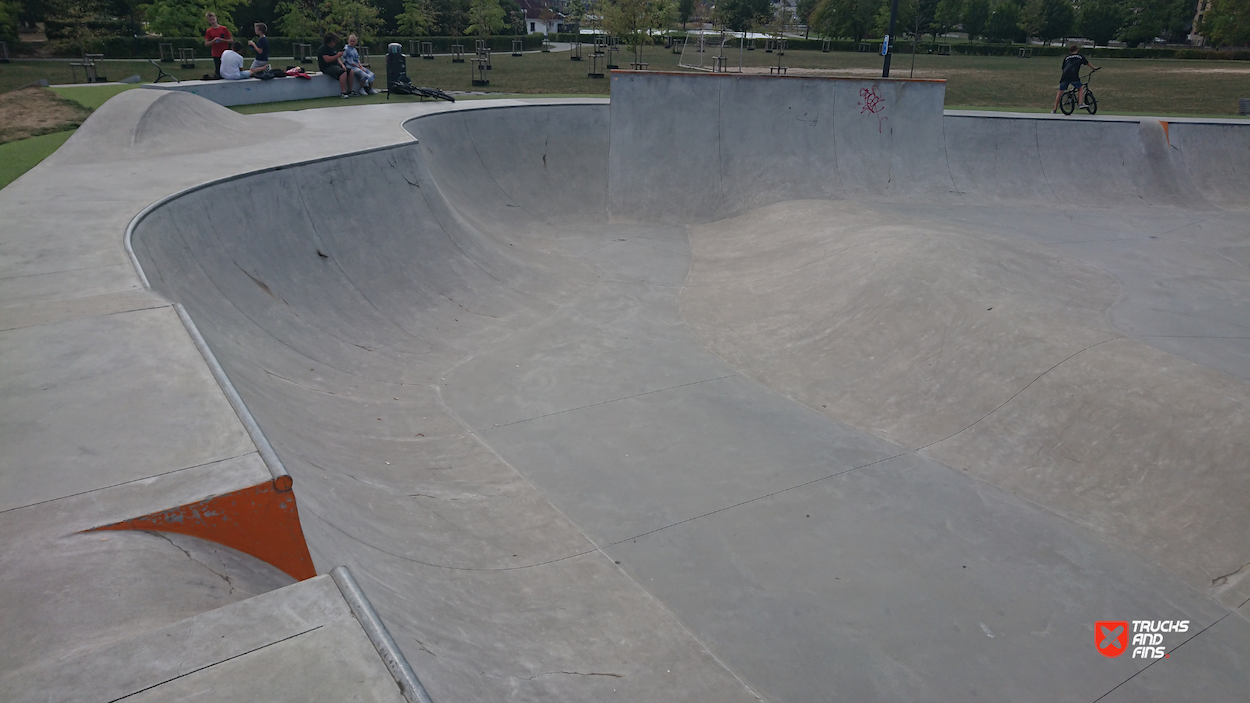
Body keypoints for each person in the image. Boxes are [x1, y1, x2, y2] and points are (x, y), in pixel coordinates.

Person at [1052, 44, 1098, 114]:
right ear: (1077, 50)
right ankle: (1080, 104)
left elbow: (1063, 67)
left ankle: (1054, 109)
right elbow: (1087, 63)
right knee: (1080, 88)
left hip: (1064, 76)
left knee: (1060, 91)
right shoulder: (1080, 56)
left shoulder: (1066, 57)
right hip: (1073, 76)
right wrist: (1094, 68)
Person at [317, 32, 352, 98]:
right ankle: (343, 92)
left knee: (350, 72)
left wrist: (342, 65)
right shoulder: (323, 48)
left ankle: (350, 90)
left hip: (335, 65)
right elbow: (327, 59)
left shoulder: (332, 48)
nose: (335, 42)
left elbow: (337, 58)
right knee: (342, 73)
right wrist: (337, 55)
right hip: (327, 67)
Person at [203, 11, 232, 79]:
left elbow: (231, 40)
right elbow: (206, 43)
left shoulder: (223, 28)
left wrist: (223, 40)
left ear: (216, 18)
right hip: (216, 53)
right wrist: (213, 41)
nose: (212, 21)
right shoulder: (209, 31)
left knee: (226, 70)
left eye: (213, 19)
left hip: (225, 52)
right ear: (208, 21)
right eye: (210, 20)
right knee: (218, 70)